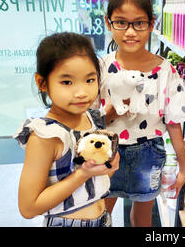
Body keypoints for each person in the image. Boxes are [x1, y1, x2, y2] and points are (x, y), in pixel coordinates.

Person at [99, 0, 185, 227]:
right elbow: (90, 120)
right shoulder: (99, 68)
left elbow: (174, 122)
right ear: (108, 23)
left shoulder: (166, 71)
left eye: (139, 23)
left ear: (151, 24)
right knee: (101, 212)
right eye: (121, 22)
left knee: (142, 217)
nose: (130, 32)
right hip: (106, 150)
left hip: (149, 152)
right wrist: (110, 111)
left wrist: (184, 165)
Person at [14, 32, 120, 227]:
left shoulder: (91, 119)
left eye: (90, 80)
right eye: (67, 82)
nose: (81, 93)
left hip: (103, 218)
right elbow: (28, 208)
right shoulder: (46, 136)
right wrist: (82, 174)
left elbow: (96, 181)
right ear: (42, 83)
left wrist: (107, 168)